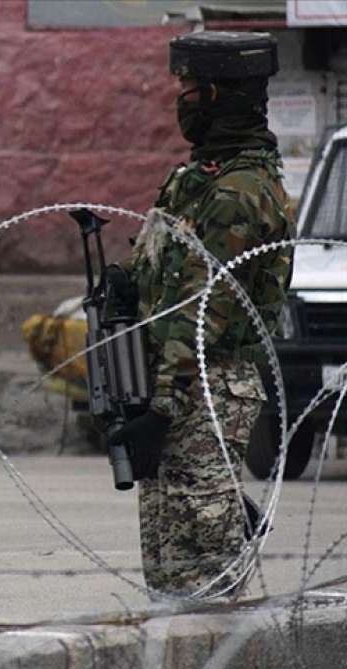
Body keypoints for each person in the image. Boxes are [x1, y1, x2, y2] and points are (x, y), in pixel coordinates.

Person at [113, 32, 292, 598]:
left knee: (201, 561)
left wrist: (161, 407)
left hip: (207, 386)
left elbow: (203, 311)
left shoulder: (240, 193)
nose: (182, 101)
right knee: (166, 562)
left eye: (191, 90)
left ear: (219, 96)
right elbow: (159, 280)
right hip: (169, 381)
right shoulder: (193, 181)